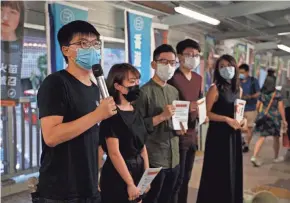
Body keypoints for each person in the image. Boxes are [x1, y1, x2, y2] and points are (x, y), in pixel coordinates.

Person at [37, 20, 117, 202]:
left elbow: (93, 140)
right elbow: (51, 136)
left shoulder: (95, 86)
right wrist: (97, 114)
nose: (91, 48)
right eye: (82, 43)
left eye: (95, 43)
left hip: (88, 186)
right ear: (66, 50)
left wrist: (95, 177)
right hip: (61, 190)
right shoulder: (56, 83)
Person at [136, 44, 183, 203]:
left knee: (169, 197)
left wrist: (181, 127)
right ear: (153, 64)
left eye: (172, 63)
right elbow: (137, 127)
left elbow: (176, 119)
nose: (169, 66)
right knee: (151, 198)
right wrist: (162, 116)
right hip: (154, 159)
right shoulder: (143, 92)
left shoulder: (173, 91)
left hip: (174, 157)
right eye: (164, 61)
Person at [196, 54, 246, 203]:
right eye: (222, 66)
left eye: (229, 65)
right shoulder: (215, 88)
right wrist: (225, 119)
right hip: (218, 136)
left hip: (234, 136)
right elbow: (207, 113)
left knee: (232, 169)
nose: (226, 69)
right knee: (217, 171)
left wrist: (242, 120)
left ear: (235, 67)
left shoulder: (239, 90)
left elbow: (240, 112)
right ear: (217, 70)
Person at [99, 63, 150, 203]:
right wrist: (130, 183)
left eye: (137, 81)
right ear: (118, 86)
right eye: (132, 81)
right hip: (118, 175)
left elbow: (142, 146)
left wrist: (147, 177)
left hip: (138, 171)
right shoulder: (111, 114)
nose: (136, 85)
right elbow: (114, 153)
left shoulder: (135, 110)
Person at [168, 39, 203, 203]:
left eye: (196, 55)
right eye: (189, 54)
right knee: (177, 178)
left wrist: (203, 112)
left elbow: (200, 100)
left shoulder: (198, 78)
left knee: (188, 175)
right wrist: (189, 107)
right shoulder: (173, 78)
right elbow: (170, 104)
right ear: (180, 56)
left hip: (193, 134)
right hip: (178, 133)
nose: (193, 58)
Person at [251, 74, 288, 166]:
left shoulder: (262, 93)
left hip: (264, 117)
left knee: (262, 137)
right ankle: (276, 157)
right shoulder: (277, 94)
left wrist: (260, 113)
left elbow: (258, 106)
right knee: (276, 137)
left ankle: (254, 156)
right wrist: (284, 120)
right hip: (274, 119)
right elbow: (280, 107)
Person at [239, 64, 260, 152]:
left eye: (242, 72)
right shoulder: (237, 81)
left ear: (247, 72)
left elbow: (258, 93)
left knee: (249, 128)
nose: (240, 74)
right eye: (239, 72)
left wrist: (250, 96)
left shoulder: (253, 81)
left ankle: (246, 144)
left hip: (251, 108)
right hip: (239, 108)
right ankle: (241, 142)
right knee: (240, 127)